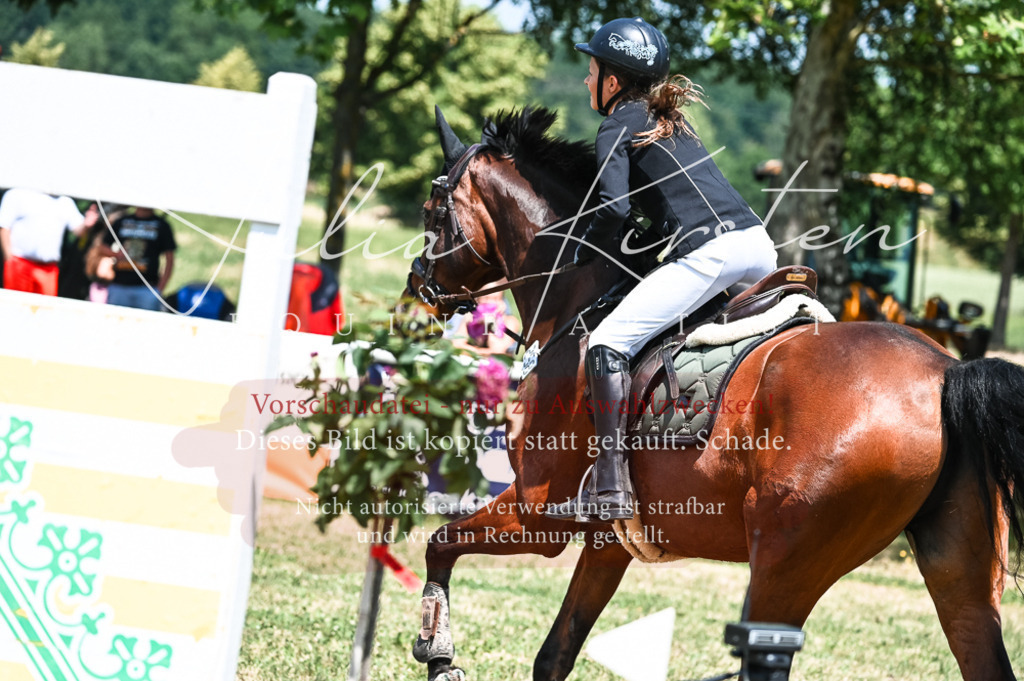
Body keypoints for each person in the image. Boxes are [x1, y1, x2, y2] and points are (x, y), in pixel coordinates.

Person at [547, 18, 778, 523]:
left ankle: (608, 487)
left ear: (612, 81)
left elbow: (612, 211)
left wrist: (574, 247)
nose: (587, 80)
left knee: (607, 344)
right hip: (758, 247)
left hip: (711, 254)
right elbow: (655, 216)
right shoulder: (670, 121)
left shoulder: (616, 123)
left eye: (591, 71)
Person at [0, 187, 97, 296]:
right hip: (20, 264)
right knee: (16, 307)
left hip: (48, 269)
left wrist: (88, 223)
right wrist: (9, 258)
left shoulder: (64, 202)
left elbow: (79, 230)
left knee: (45, 310)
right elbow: (4, 226)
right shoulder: (17, 194)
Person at [99, 206, 176, 311]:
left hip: (147, 289)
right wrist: (117, 254)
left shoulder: (162, 225)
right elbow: (102, 247)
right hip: (119, 286)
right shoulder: (122, 221)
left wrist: (159, 289)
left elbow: (170, 259)